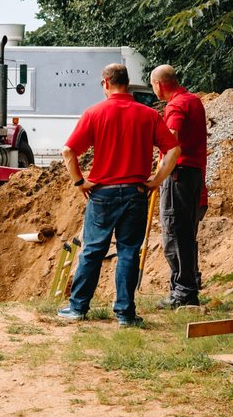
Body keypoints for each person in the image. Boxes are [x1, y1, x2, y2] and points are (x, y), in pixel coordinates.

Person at [57, 63, 181, 327]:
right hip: (136, 193)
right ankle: (125, 314)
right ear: (127, 82)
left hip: (102, 194)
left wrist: (80, 182)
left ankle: (78, 308)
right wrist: (155, 182)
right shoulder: (148, 115)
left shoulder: (94, 113)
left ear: (105, 83)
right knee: (128, 252)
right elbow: (173, 150)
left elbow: (68, 152)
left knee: (92, 251)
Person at [149, 65, 208, 308]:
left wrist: (157, 178)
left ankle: (183, 293)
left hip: (178, 176)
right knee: (186, 233)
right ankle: (188, 284)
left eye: (152, 85)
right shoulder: (194, 100)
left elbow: (170, 139)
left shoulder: (175, 106)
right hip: (193, 175)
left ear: (159, 85)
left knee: (175, 233)